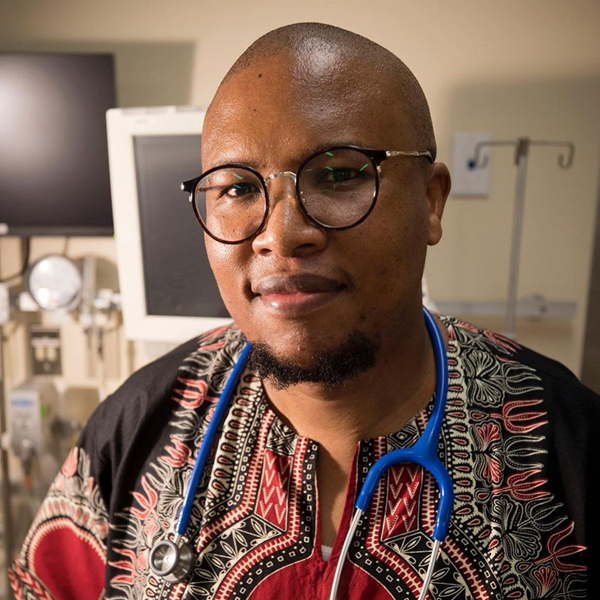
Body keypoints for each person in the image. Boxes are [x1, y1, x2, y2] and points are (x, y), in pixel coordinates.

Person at [10, 23, 600, 600]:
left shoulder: (568, 449)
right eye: (238, 188)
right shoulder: (135, 431)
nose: (282, 235)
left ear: (430, 201)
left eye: (339, 175)